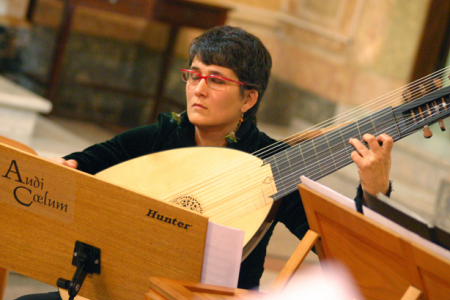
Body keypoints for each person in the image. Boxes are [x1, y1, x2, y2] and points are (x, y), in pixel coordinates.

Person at [15, 25, 393, 300]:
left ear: (248, 99)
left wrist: (374, 189)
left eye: (215, 80)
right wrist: (63, 170)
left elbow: (339, 252)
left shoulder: (276, 166)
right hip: (130, 290)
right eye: (193, 75)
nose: (198, 88)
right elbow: (85, 165)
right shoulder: (162, 135)